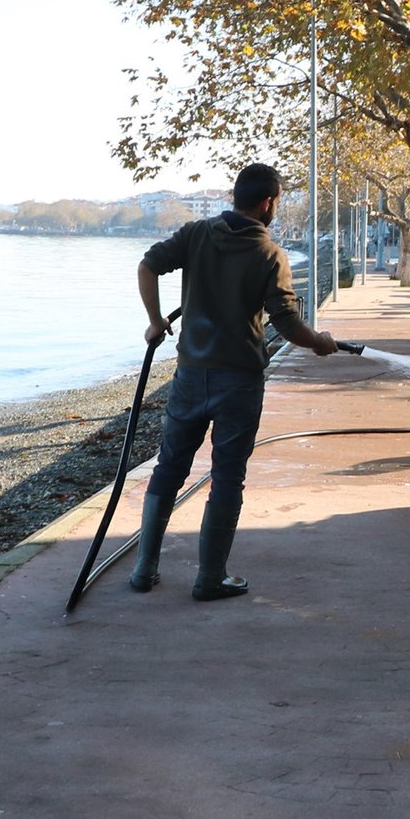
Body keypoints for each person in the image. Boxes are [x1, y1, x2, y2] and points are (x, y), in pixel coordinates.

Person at [130, 163, 339, 601]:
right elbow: (287, 325)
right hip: (239, 383)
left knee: (169, 467)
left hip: (190, 376)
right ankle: (210, 578)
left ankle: (144, 570)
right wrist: (319, 342)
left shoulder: (197, 235)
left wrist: (154, 323)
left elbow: (147, 267)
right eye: (277, 203)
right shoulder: (270, 256)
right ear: (268, 203)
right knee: (226, 477)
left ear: (234, 196)